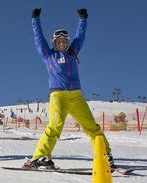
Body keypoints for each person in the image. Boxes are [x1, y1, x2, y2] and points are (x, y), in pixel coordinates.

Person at [25, 7, 116, 169]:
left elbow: (80, 37)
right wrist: (35, 20)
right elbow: (39, 39)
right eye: (59, 42)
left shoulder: (72, 52)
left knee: (92, 127)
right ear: (54, 43)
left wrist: (83, 19)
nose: (62, 44)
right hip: (58, 95)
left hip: (76, 96)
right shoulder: (49, 55)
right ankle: (40, 156)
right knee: (55, 125)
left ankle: (104, 155)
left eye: (64, 41)